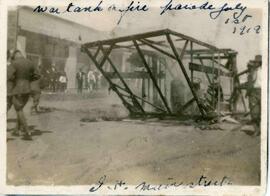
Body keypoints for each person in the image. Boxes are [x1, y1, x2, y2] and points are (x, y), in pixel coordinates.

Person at [11, 50, 40, 140]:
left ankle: (27, 132)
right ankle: (16, 130)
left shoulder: (14, 63)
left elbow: (8, 76)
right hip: (27, 89)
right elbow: (38, 75)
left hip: (18, 89)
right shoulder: (30, 63)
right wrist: (28, 79)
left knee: (18, 110)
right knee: (21, 110)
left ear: (15, 56)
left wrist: (14, 79)